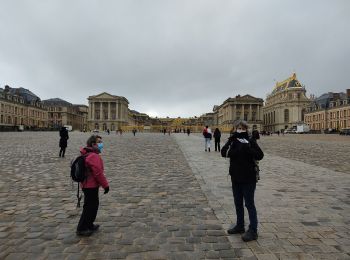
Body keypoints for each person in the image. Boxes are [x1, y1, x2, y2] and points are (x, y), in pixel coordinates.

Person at [221, 120, 264, 242]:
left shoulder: (250, 140)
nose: (240, 130)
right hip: (236, 177)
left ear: (246, 129)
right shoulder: (233, 140)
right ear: (235, 129)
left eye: (242, 128)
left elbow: (260, 155)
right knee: (238, 203)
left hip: (249, 178)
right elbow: (223, 153)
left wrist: (248, 149)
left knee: (249, 204)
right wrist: (230, 141)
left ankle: (253, 230)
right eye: (238, 128)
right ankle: (240, 226)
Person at [76, 135, 109, 236]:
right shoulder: (93, 156)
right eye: (99, 142)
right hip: (90, 185)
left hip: (87, 184)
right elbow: (98, 173)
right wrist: (105, 185)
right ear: (93, 144)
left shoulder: (87, 153)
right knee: (90, 207)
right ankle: (81, 228)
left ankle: (89, 224)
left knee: (92, 206)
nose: (101, 144)